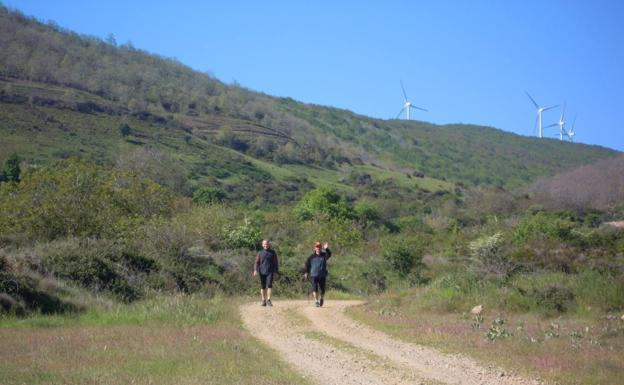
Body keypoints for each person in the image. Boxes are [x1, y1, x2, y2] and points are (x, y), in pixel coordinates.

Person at [304, 241, 332, 307]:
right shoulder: (311, 257)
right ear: (315, 248)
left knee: (322, 289)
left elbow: (329, 254)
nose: (318, 248)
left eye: (319, 247)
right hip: (314, 275)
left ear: (321, 248)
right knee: (315, 288)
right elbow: (307, 265)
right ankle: (316, 301)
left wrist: (327, 249)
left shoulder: (324, 255)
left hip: (322, 275)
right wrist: (306, 272)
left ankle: (321, 298)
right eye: (317, 247)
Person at [253, 239, 279, 306]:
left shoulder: (273, 252)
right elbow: (257, 262)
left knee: (269, 285)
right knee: (263, 286)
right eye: (264, 244)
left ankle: (269, 300)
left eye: (267, 244)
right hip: (261, 272)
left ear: (269, 244)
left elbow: (276, 263)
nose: (266, 245)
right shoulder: (260, 253)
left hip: (270, 271)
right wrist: (255, 270)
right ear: (262, 245)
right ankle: (263, 300)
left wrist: (276, 271)